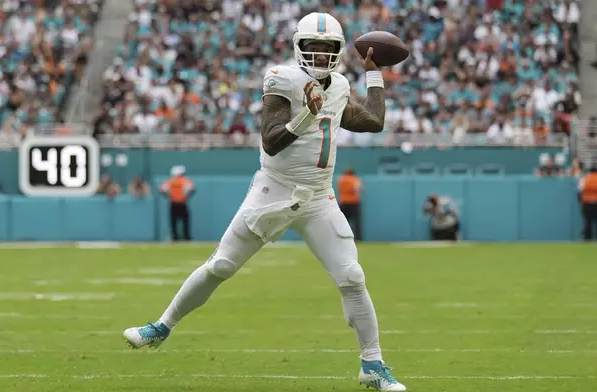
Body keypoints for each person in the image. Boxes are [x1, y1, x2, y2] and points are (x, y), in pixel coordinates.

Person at [123, 12, 406, 392]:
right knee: (221, 265)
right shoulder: (282, 79)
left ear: (339, 51)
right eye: (313, 47)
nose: (321, 56)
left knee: (353, 277)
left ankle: (372, 364)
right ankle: (161, 326)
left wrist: (373, 73)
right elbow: (272, 139)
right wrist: (307, 112)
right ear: (299, 47)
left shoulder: (338, 86)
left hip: (319, 197)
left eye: (328, 49)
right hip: (274, 189)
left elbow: (373, 121)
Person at [160, 165, 194, 241]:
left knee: (174, 223)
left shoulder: (170, 181)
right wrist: (186, 196)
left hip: (173, 203)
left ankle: (175, 238)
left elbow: (162, 189)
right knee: (185, 222)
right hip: (183, 203)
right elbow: (192, 189)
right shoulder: (185, 181)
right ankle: (186, 238)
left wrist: (169, 195)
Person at [337, 168, 363, 241]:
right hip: (354, 202)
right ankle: (358, 238)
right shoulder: (355, 179)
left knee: (343, 222)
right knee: (356, 222)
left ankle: (342, 237)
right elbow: (358, 188)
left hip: (343, 202)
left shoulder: (341, 179)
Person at [578, 165, 597, 241]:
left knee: (588, 221)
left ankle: (587, 238)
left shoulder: (585, 179)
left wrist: (581, 201)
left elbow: (579, 191)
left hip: (587, 203)